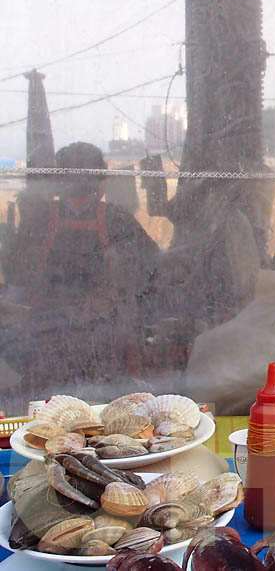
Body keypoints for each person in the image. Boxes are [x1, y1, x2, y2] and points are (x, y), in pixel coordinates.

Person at [5, 142, 160, 403]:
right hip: (104, 341)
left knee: (49, 413)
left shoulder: (38, 219)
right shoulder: (117, 218)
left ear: (59, 179)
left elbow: (15, 277)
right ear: (100, 179)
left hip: (47, 338)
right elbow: (152, 269)